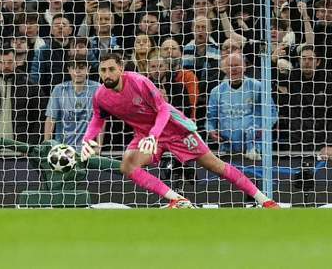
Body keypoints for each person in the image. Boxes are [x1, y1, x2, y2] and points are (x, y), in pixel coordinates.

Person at [80, 52, 279, 209]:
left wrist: (154, 135)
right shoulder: (100, 96)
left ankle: (264, 200)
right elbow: (98, 119)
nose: (107, 74)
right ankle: (177, 199)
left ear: (121, 69)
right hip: (146, 135)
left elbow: (163, 109)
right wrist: (87, 139)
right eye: (103, 70)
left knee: (214, 165)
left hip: (174, 129)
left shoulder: (139, 82)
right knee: (128, 165)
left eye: (111, 69)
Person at [45, 58, 99, 149]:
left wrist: (99, 146)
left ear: (88, 69)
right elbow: (50, 119)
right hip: (62, 149)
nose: (77, 71)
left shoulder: (97, 88)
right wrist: (46, 146)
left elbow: (101, 119)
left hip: (88, 149)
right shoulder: (59, 89)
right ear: (69, 70)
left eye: (81, 68)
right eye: (74, 68)